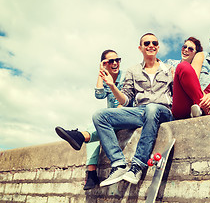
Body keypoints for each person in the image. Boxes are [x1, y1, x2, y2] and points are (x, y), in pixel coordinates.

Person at [91, 32, 174, 187]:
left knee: (151, 109)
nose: (151, 45)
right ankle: (119, 164)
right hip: (141, 111)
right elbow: (126, 99)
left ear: (158, 47)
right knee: (99, 116)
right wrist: (112, 86)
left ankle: (137, 166)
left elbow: (178, 94)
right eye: (147, 43)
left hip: (163, 111)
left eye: (154, 43)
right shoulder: (133, 71)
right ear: (140, 48)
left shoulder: (169, 69)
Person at [55, 49, 131, 190]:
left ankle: (89, 170)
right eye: (110, 61)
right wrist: (100, 72)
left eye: (117, 60)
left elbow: (126, 100)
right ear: (105, 64)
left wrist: (112, 117)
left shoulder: (126, 76)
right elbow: (99, 95)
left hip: (126, 116)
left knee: (96, 126)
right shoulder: (106, 77)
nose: (115, 63)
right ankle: (91, 172)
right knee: (92, 126)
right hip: (111, 119)